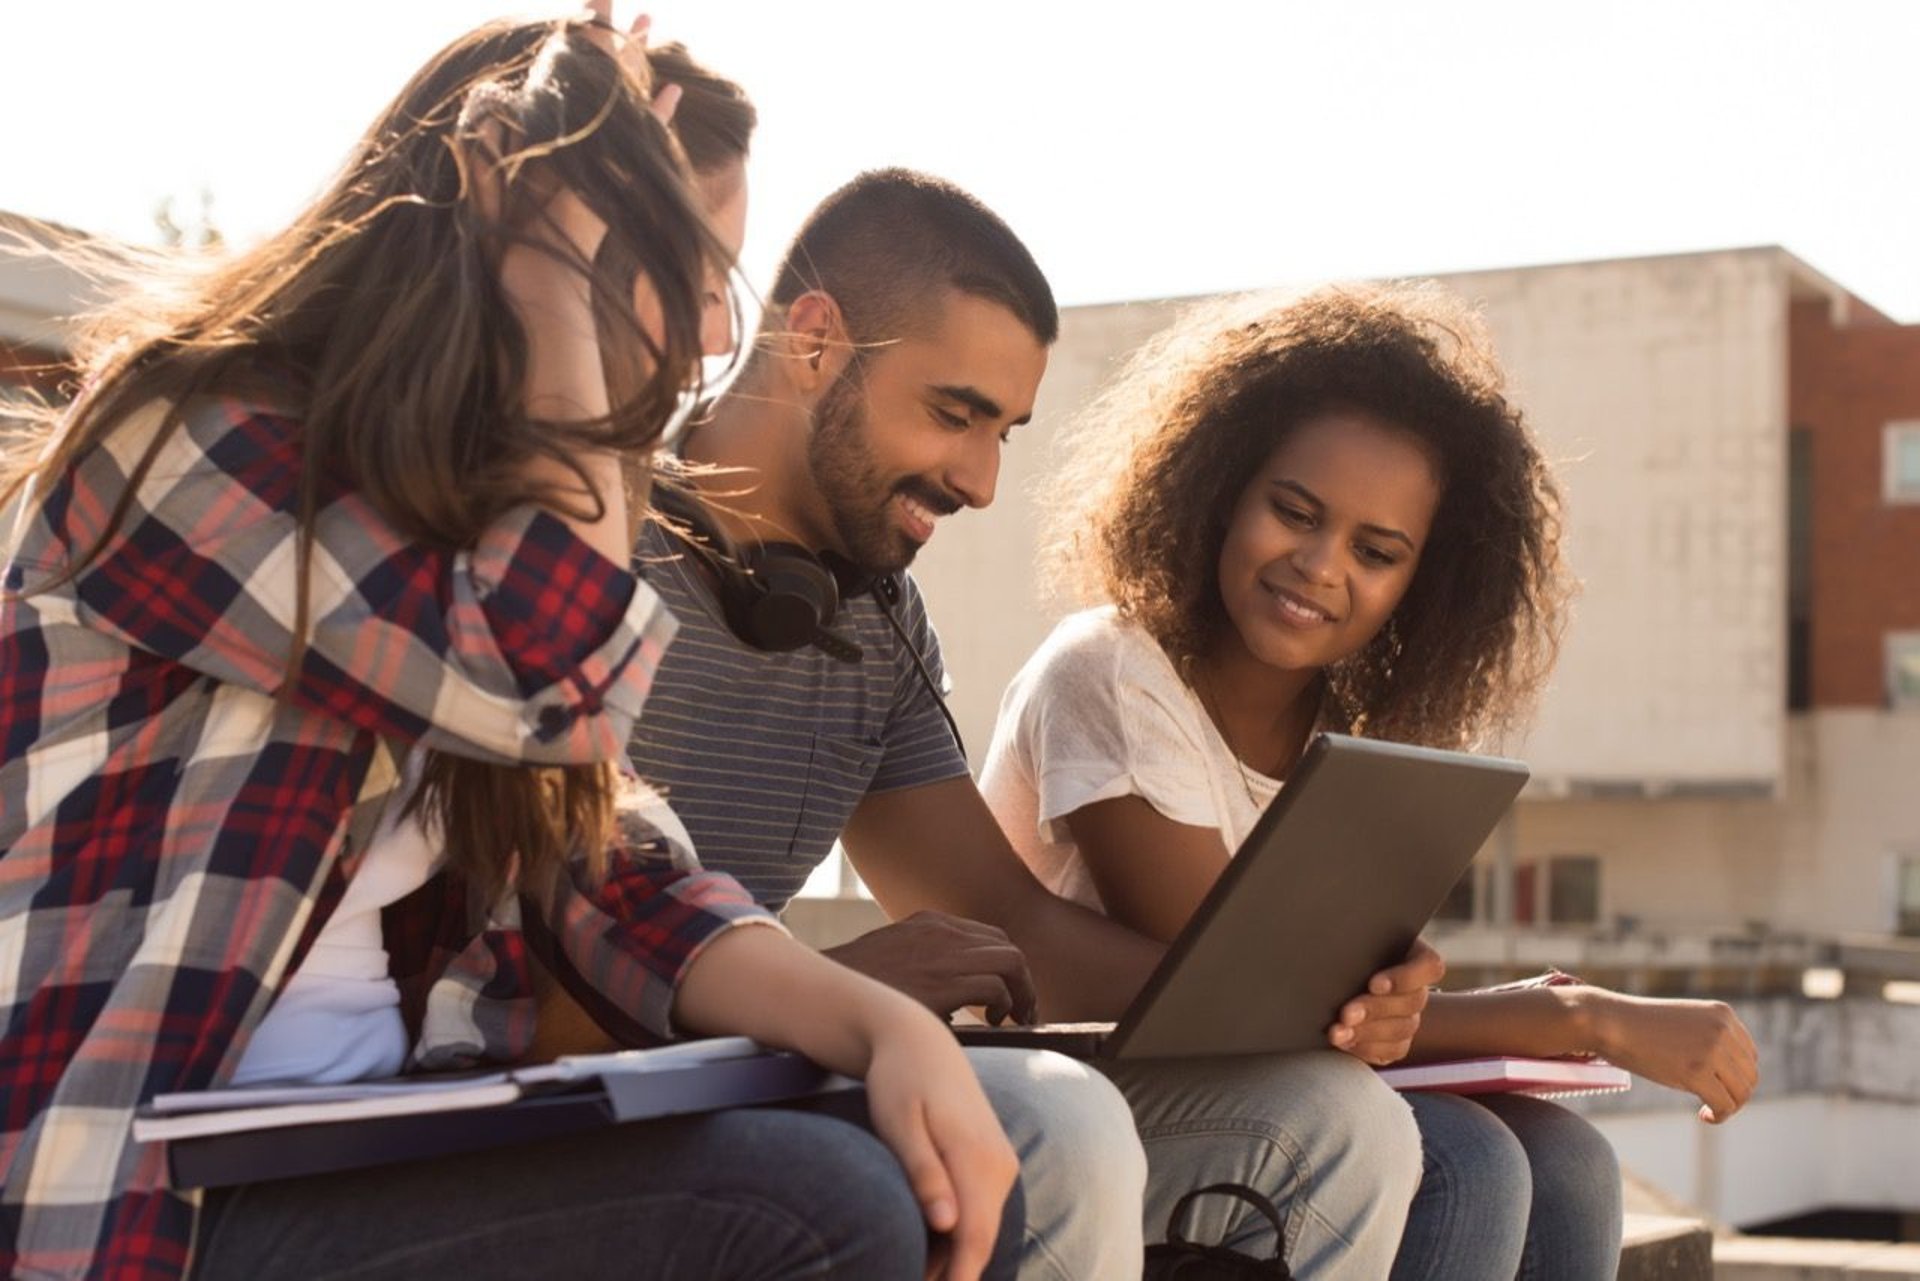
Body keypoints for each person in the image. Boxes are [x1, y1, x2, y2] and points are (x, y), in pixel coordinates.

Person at [0, 16, 1021, 1280]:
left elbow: (612, 868)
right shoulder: (185, 439)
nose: (715, 335)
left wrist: (878, 1027)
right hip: (152, 1199)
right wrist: (557, 295)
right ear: (513, 240)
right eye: (695, 269)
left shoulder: (494, 518)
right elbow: (545, 682)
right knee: (817, 1207)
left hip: (377, 1143)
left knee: (972, 1167)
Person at [615, 169, 1429, 1279]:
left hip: (774, 1071)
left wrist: (1317, 1003)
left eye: (1004, 432)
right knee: (1062, 1130)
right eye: (956, 415)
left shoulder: (879, 615)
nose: (982, 481)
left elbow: (1009, 923)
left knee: (1336, 1121)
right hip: (620, 1099)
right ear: (813, 343)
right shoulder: (591, 552)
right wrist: (842, 993)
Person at [980, 282, 1764, 1280]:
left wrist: (1400, 993)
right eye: (1293, 511)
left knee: (1566, 1161)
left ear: (1422, 581)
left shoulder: (1349, 743)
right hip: (1078, 1104)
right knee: (1468, 1161)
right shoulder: (1110, 672)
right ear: (1220, 485)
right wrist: (1575, 1014)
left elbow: (1337, 1013)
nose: (1318, 565)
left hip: (1277, 1093)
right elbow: (1251, 998)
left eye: (1377, 551)